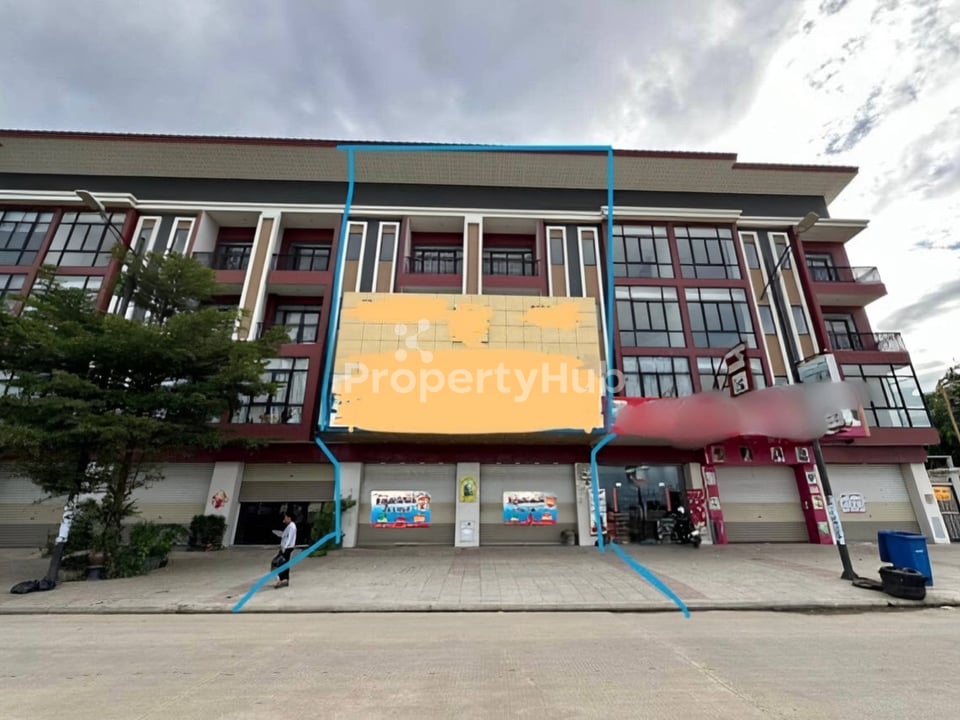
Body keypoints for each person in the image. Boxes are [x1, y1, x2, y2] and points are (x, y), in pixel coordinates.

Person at [272, 509, 297, 589]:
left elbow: (290, 538)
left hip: (287, 548)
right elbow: (284, 535)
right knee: (282, 563)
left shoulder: (292, 526)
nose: (284, 519)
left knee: (279, 563)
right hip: (285, 547)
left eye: (285, 517)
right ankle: (283, 579)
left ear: (289, 518)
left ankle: (283, 579)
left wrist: (285, 547)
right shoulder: (289, 526)